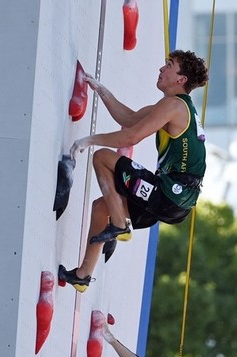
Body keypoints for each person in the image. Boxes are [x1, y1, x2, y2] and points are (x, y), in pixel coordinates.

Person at [59, 50, 209, 292]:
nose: (162, 69)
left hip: (169, 193)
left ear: (181, 79)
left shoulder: (174, 106)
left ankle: (119, 224)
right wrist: (101, 90)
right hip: (175, 200)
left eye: (169, 66)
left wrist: (87, 141)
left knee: (102, 157)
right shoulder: (175, 106)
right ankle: (82, 276)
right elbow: (130, 119)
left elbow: (131, 137)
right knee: (101, 207)